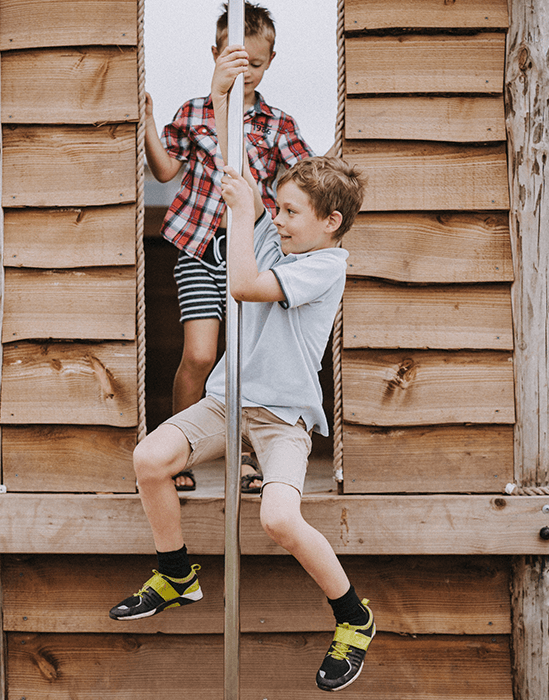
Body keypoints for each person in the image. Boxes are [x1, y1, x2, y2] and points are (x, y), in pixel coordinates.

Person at [111, 44, 374, 692]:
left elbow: (247, 288)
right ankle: (177, 572)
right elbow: (236, 168)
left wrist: (243, 214)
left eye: (291, 214)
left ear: (330, 223)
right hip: (226, 403)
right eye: (277, 209)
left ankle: (353, 615)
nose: (277, 220)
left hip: (280, 419)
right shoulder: (274, 233)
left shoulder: (324, 265)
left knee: (280, 518)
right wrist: (221, 91)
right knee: (149, 459)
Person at [144, 2, 314, 491]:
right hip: (198, 246)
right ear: (216, 53)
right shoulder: (194, 111)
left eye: (256, 65)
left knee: (243, 361)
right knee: (200, 355)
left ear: (271, 61)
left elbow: (305, 177)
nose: (247, 72)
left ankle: (242, 456)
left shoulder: (276, 124)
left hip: (252, 256)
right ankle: (179, 452)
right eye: (237, 60)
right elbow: (165, 170)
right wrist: (149, 123)